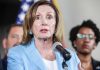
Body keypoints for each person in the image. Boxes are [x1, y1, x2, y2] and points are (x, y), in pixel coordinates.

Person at [7, 1, 83, 70]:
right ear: (30, 26)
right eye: (37, 17)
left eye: (49, 17)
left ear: (56, 25)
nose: (44, 22)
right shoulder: (16, 54)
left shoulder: (71, 57)